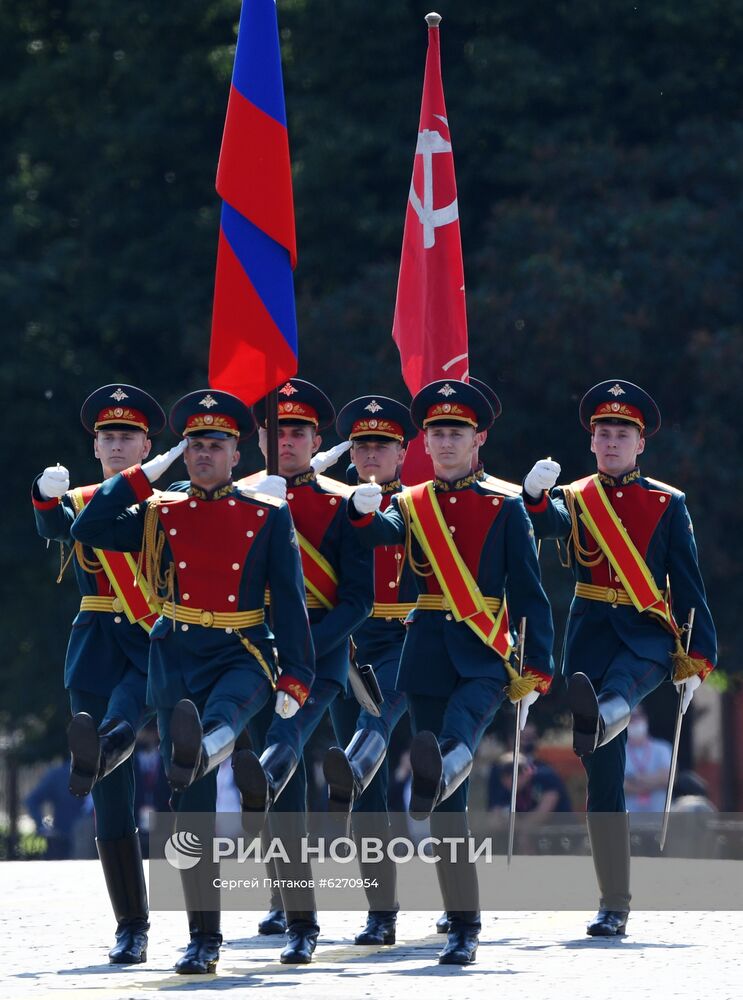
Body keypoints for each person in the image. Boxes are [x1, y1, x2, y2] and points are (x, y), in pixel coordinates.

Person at [71, 388, 314, 974]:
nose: (204, 454)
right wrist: (142, 475)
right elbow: (90, 525)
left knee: (226, 722)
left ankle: (302, 922)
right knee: (191, 809)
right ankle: (204, 938)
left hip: (242, 647)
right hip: (177, 651)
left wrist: (298, 678)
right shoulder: (161, 511)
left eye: (215, 445)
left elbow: (291, 600)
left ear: (237, 453)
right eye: (195, 445)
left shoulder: (266, 513)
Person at [348, 379, 554, 965]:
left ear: (479, 437)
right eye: (436, 432)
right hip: (428, 651)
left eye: (455, 431)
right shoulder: (409, 503)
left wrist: (537, 667)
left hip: (486, 652)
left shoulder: (506, 505)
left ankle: (463, 922)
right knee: (445, 804)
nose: (443, 441)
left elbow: (531, 594)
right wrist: (363, 515)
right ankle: (463, 920)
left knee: (455, 740)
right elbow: (383, 537)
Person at [522, 379, 717, 937]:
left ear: (640, 444)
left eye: (621, 434)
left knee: (621, 691)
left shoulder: (666, 502)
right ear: (591, 442)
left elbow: (690, 585)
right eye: (602, 433)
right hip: (590, 634)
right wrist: (535, 497)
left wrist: (700, 658)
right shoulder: (575, 497)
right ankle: (614, 901)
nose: (610, 442)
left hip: (648, 633)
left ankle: (606, 712)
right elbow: (539, 526)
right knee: (604, 785)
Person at [231, 378, 374, 965]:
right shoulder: (238, 496)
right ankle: (287, 902)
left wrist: (301, 651)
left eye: (297, 431)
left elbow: (357, 600)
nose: (285, 440)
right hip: (246, 651)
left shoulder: (343, 503)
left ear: (317, 439)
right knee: (274, 785)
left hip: (317, 655)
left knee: (282, 756)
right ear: (261, 436)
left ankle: (301, 922)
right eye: (276, 429)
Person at [32, 383, 165, 963]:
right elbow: (53, 527)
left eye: (127, 436)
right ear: (95, 446)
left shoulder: (173, 497)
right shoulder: (82, 500)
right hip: (94, 645)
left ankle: (106, 742)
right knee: (113, 797)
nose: (117, 445)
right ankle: (131, 926)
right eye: (108, 437)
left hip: (153, 640)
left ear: (146, 443)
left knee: (124, 718)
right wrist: (41, 495)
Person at [320, 394, 417, 947]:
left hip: (407, 637)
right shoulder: (332, 506)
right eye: (361, 446)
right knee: (371, 791)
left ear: (402, 452)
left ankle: (458, 902)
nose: (370, 455)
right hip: (347, 640)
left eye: (381, 445)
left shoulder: (421, 504)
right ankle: (382, 911)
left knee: (375, 728)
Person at [25, 760, 92, 859]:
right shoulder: (61, 775)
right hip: (68, 844)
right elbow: (32, 800)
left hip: (103, 843)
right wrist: (42, 827)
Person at [623, 706, 672, 813]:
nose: (634, 721)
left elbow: (667, 777)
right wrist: (653, 781)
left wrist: (635, 779)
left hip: (659, 818)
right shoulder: (620, 752)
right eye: (630, 718)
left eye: (637, 716)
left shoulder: (662, 748)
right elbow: (619, 784)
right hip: (630, 821)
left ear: (645, 719)